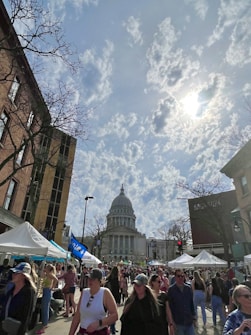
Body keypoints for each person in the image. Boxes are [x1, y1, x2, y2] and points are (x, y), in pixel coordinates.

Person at [68, 268, 118, 335]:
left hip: (100, 332)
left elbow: (115, 315)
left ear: (100, 281)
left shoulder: (105, 293)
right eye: (89, 278)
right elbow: (77, 315)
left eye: (93, 279)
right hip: (83, 332)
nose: (90, 281)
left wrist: (99, 323)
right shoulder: (84, 292)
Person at [0, 262, 36, 335]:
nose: (13, 275)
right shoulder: (10, 288)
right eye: (13, 272)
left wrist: (21, 331)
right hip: (4, 326)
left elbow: (27, 314)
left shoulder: (29, 291)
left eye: (17, 273)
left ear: (23, 276)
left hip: (16, 328)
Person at [167, 269, 196, 335]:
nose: (180, 278)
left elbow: (191, 304)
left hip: (189, 321)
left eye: (182, 276)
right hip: (178, 322)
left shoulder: (188, 288)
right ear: (175, 277)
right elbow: (169, 307)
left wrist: (194, 317)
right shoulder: (171, 290)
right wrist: (171, 322)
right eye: (178, 276)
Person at [36, 263, 58, 334]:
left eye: (47, 267)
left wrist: (52, 287)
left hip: (47, 291)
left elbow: (56, 279)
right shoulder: (47, 274)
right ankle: (46, 322)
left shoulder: (50, 274)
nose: (45, 267)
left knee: (44, 308)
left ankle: (44, 325)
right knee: (46, 307)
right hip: (45, 291)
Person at [105, 266, 120, 334]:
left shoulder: (109, 278)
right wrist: (118, 300)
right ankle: (112, 328)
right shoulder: (116, 279)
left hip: (107, 296)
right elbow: (116, 290)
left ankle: (109, 327)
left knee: (108, 313)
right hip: (113, 297)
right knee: (113, 314)